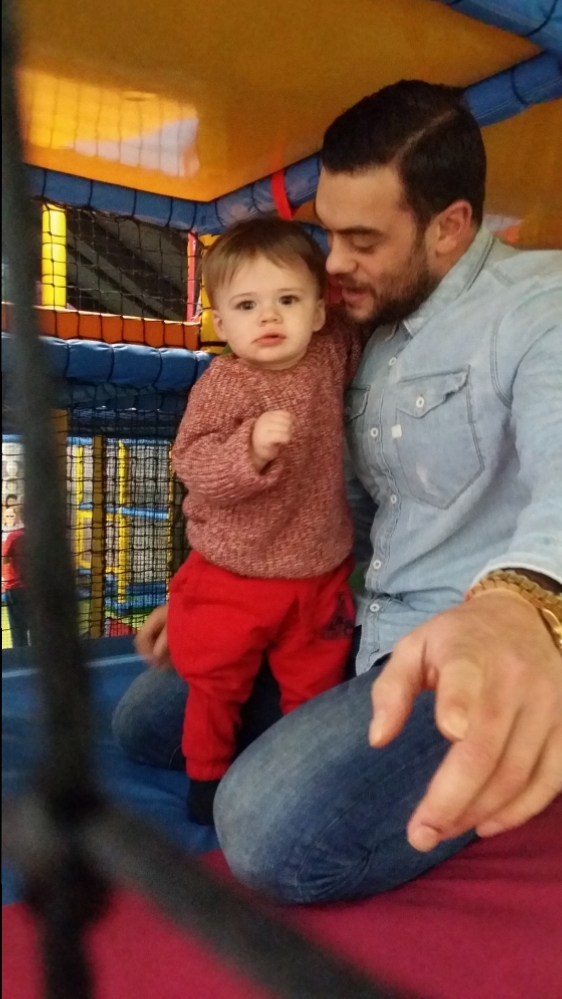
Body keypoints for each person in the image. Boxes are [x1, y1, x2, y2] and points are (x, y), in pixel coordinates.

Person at [113, 80, 562, 902]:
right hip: (346, 617)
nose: (332, 263)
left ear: (449, 225)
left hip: (464, 644)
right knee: (146, 722)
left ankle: (525, 723)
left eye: (362, 239)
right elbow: (329, 496)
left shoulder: (541, 308)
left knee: (266, 828)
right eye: (327, 232)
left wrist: (522, 605)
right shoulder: (354, 328)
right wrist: (219, 582)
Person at [167, 217, 369, 823]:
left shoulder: (328, 353)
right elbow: (191, 461)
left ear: (317, 311)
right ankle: (206, 780)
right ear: (221, 323)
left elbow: (360, 316)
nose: (269, 317)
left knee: (314, 685)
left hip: (317, 569)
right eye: (247, 306)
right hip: (234, 573)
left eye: (287, 300)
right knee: (215, 685)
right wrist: (248, 450)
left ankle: (295, 777)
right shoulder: (227, 383)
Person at [2, 506, 30, 648]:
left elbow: (4, 560)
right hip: (32, 587)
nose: (9, 519)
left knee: (18, 628)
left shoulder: (13, 536)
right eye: (7, 516)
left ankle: (21, 656)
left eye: (12, 516)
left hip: (15, 587)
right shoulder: (37, 536)